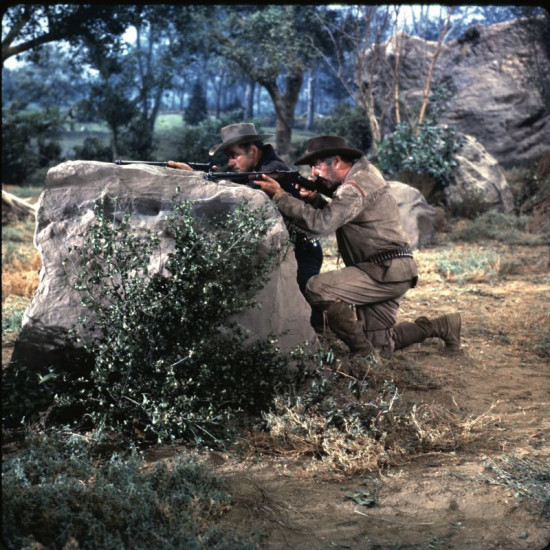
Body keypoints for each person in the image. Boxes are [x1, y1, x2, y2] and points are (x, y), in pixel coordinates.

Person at [253, 135, 461, 359]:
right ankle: (442, 325)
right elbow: (344, 215)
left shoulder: (354, 187)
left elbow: (321, 224)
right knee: (381, 347)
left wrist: (280, 196)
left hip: (383, 271)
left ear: (337, 161)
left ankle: (362, 353)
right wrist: (314, 199)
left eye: (317, 165)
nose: (313, 173)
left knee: (318, 288)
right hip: (391, 270)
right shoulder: (363, 176)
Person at [169, 123, 324, 326]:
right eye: (228, 157)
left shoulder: (272, 170)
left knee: (307, 318)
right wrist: (204, 174)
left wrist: (200, 180)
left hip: (302, 253)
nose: (230, 162)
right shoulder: (256, 168)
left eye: (234, 155)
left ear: (252, 151)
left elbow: (242, 196)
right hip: (282, 250)